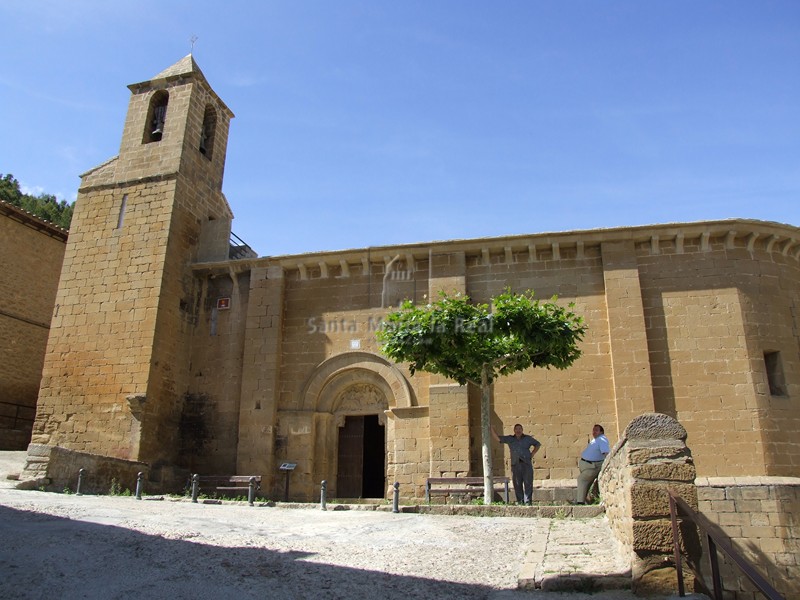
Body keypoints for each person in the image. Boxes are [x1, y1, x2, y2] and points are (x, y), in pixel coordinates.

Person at [491, 423, 541, 505]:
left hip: (526, 464)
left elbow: (537, 444)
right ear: (514, 430)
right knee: (517, 485)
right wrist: (491, 429)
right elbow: (498, 438)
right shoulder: (510, 439)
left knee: (528, 483)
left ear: (522, 430)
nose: (518, 430)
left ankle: (528, 502)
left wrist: (532, 454)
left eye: (520, 429)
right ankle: (520, 502)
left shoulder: (527, 438)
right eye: (516, 429)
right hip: (515, 465)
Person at [576, 424, 610, 504]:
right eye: (593, 430)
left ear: (601, 432)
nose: (594, 432)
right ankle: (584, 500)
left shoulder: (602, 439)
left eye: (596, 430)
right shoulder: (597, 439)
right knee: (586, 483)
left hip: (592, 466)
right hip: (588, 465)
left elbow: (605, 453)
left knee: (582, 480)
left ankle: (580, 502)